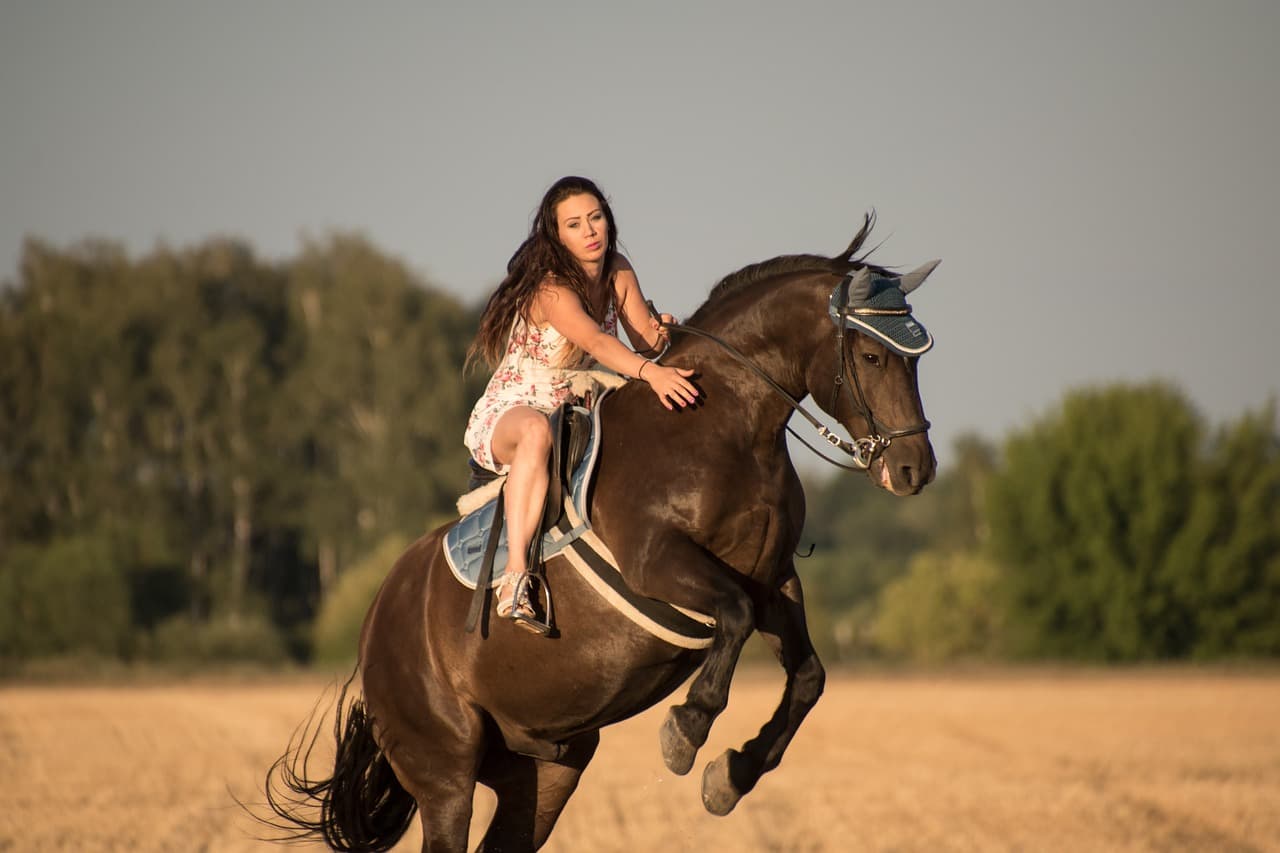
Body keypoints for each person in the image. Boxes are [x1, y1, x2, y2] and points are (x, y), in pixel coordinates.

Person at [464, 176, 698, 629]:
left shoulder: (618, 270)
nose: (590, 231)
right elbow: (596, 340)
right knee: (534, 431)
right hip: (515, 410)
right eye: (574, 224)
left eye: (596, 218)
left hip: (578, 412)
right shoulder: (551, 289)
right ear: (557, 236)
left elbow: (646, 340)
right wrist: (651, 372)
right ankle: (516, 580)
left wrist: (669, 336)